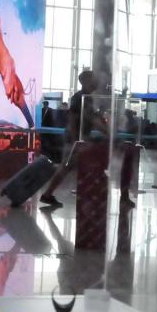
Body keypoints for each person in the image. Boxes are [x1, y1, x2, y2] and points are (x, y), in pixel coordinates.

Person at [38, 70, 104, 210]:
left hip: (80, 139)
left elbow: (89, 118)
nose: (96, 81)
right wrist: (75, 140)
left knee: (69, 167)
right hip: (77, 140)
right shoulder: (79, 98)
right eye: (93, 79)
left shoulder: (86, 98)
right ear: (86, 81)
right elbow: (73, 119)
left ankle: (49, 194)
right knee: (66, 167)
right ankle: (49, 194)